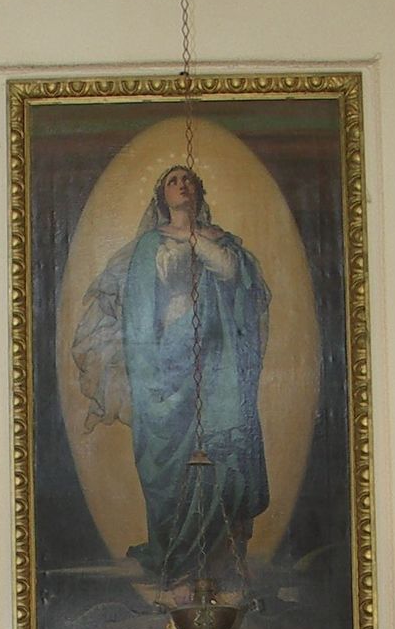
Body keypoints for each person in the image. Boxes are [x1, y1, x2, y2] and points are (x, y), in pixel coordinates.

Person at [72, 162, 270, 589]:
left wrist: (197, 241)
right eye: (173, 182)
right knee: (174, 463)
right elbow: (149, 302)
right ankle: (179, 563)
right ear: (162, 196)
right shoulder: (151, 245)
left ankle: (222, 561)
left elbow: (233, 277)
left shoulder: (221, 240)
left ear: (199, 191)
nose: (182, 186)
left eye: (188, 180)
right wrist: (190, 244)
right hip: (170, 363)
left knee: (224, 455)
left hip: (219, 362)